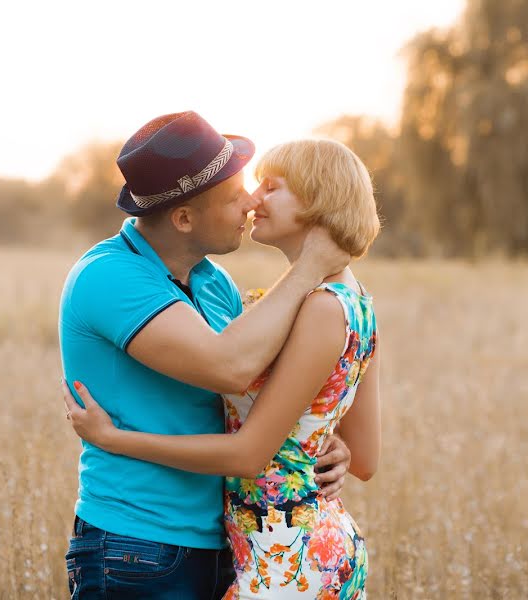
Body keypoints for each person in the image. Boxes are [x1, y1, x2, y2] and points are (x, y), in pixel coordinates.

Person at [63, 138, 382, 599]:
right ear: (185, 218)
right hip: (141, 542)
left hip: (267, 548)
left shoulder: (220, 284)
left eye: (267, 188)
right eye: (237, 195)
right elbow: (232, 369)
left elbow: (315, 437)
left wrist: (321, 441)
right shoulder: (109, 276)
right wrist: (309, 266)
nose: (252, 201)